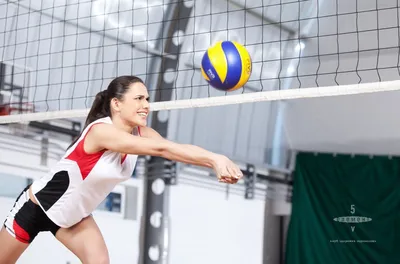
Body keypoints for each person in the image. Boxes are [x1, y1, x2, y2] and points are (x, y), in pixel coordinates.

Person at [0, 75, 243, 264]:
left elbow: (170, 149)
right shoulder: (101, 132)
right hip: (36, 208)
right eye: (139, 99)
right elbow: (159, 150)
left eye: (147, 99)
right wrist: (213, 158)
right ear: (116, 104)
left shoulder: (141, 133)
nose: (146, 105)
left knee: (100, 261)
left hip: (74, 217)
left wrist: (214, 161)